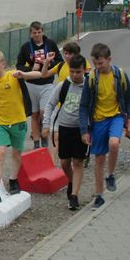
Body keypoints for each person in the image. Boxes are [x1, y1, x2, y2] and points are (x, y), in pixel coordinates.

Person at [79, 43, 130, 210]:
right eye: (95, 63)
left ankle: (110, 174)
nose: (97, 67)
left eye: (101, 63)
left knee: (114, 143)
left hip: (116, 116)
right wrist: (84, 130)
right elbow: (83, 106)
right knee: (98, 159)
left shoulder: (120, 76)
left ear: (109, 59)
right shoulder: (91, 78)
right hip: (98, 121)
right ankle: (99, 195)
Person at [0, 50, 42, 207]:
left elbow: (39, 75)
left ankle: (14, 178)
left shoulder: (13, 75)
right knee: (0, 154)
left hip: (18, 122)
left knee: (16, 154)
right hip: (1, 123)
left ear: (3, 64)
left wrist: (24, 74)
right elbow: (0, 99)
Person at [42, 55, 89, 211]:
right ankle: (71, 181)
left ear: (84, 70)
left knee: (78, 162)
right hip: (64, 128)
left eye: (78, 72)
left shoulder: (89, 87)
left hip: (81, 130)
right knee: (64, 162)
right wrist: (46, 124)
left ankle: (74, 195)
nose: (75, 75)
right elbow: (50, 104)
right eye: (72, 71)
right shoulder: (63, 86)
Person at [15, 21, 63, 150]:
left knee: (44, 113)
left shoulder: (50, 44)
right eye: (34, 33)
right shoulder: (26, 47)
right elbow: (19, 65)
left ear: (43, 31)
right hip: (31, 84)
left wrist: (48, 63)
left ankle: (44, 135)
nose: (37, 35)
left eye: (39, 32)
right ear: (30, 33)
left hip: (46, 83)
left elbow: (60, 61)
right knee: (34, 114)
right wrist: (30, 67)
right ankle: (37, 143)